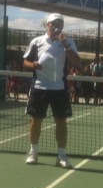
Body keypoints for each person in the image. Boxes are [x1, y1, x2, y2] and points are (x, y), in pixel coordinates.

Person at [22, 12, 80, 169]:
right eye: (54, 23)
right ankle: (33, 152)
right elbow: (25, 62)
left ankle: (61, 155)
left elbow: (76, 62)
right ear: (47, 24)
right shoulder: (37, 41)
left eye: (60, 23)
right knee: (36, 120)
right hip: (39, 87)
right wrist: (33, 65)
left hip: (60, 88)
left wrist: (66, 45)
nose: (57, 26)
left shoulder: (69, 42)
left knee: (61, 122)